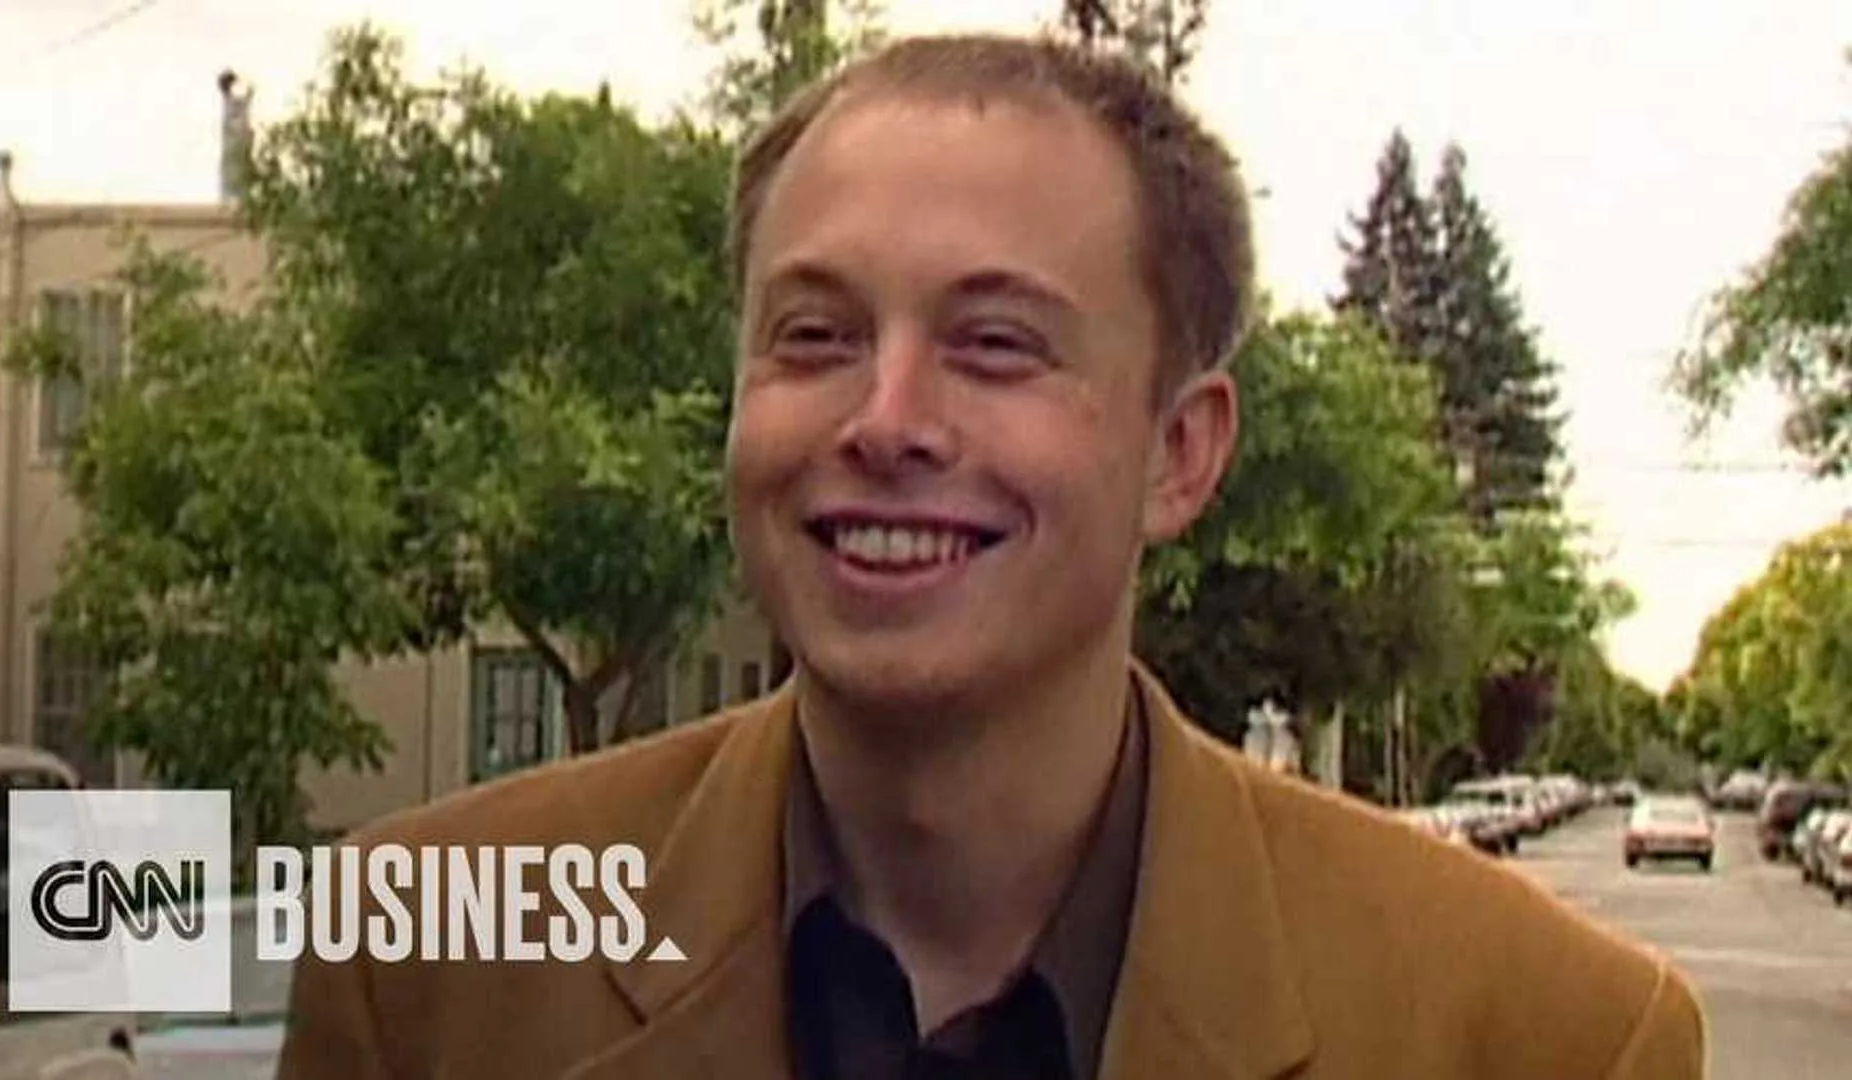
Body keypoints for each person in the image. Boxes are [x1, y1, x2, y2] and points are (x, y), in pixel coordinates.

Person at [276, 31, 1708, 1080]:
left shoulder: (1545, 1035)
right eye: (815, 336)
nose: (884, 419)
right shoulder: (432, 961)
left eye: (996, 345)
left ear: (1181, 454)